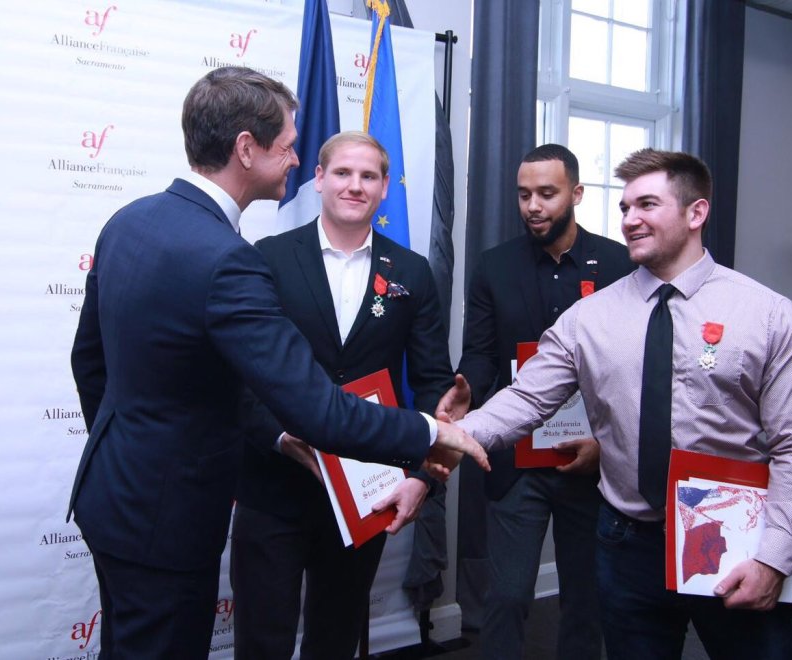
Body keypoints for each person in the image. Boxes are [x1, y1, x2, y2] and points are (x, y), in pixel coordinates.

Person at [67, 67, 488, 660]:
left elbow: (89, 362)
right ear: (246, 148)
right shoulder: (230, 259)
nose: (293, 161)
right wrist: (430, 433)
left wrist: (129, 450)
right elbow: (314, 407)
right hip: (170, 513)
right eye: (289, 147)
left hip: (113, 495)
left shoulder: (128, 221)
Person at [443, 148, 792, 659]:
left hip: (736, 538)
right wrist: (443, 435)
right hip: (626, 542)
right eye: (625, 208)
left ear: (696, 213)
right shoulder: (590, 318)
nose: (629, 220)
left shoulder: (767, 316)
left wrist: (775, 558)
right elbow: (524, 399)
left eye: (647, 205)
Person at [230, 131, 454, 659]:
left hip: (363, 487)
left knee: (335, 638)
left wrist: (424, 476)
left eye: (369, 176)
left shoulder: (413, 272)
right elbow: (238, 375)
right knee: (262, 641)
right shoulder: (268, 257)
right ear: (319, 179)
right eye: (343, 173)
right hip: (274, 484)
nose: (355, 186)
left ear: (383, 190)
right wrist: (281, 437)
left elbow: (432, 383)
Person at [456, 143, 634, 659]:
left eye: (547, 194)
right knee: (507, 595)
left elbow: (635, 368)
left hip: (594, 461)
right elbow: (480, 353)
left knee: (586, 600)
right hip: (517, 461)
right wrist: (466, 385)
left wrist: (607, 444)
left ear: (575, 194)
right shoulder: (495, 266)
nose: (533, 205)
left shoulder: (621, 265)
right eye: (524, 194)